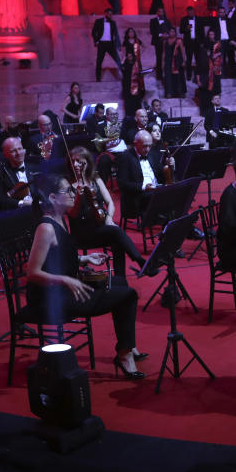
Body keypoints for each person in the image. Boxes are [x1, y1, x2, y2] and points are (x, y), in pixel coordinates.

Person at [26, 174, 146, 380]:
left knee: (120, 282)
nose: (74, 194)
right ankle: (125, 353)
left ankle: (127, 345)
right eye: (68, 191)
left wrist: (85, 259)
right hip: (51, 298)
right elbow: (32, 272)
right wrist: (66, 280)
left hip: (68, 287)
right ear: (53, 198)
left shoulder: (61, 219)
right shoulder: (45, 228)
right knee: (128, 295)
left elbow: (57, 258)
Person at [68, 146, 148, 280]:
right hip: (82, 233)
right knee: (116, 233)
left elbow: (110, 203)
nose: (76, 165)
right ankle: (141, 262)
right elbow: (72, 214)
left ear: (87, 163)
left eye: (80, 162)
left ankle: (120, 281)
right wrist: (77, 197)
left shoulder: (95, 178)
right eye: (73, 161)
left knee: (117, 239)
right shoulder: (67, 183)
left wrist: (109, 218)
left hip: (100, 227)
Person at [116, 130, 163, 219]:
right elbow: (122, 184)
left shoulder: (151, 153)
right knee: (158, 197)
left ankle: (176, 223)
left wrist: (170, 166)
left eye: (150, 146)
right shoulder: (125, 157)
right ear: (135, 143)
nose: (148, 149)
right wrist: (143, 187)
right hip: (138, 195)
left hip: (156, 189)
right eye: (144, 146)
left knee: (174, 192)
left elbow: (160, 173)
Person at [0, 136, 38, 211]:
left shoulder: (35, 166)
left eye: (20, 149)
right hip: (15, 212)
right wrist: (21, 203)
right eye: (13, 151)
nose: (18, 153)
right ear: (5, 154)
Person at [92, 8, 120, 82]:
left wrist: (118, 45)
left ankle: (125, 75)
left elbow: (116, 34)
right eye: (109, 14)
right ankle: (98, 79)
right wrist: (96, 41)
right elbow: (94, 32)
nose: (110, 16)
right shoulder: (98, 21)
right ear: (105, 13)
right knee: (99, 62)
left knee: (118, 60)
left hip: (110, 44)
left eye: (111, 14)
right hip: (101, 44)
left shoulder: (113, 23)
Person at [148, 6, 172, 80]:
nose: (160, 13)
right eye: (159, 11)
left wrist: (167, 35)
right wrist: (161, 34)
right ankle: (159, 75)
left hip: (166, 42)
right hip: (158, 42)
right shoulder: (153, 21)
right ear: (157, 12)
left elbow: (170, 30)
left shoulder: (167, 21)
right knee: (159, 58)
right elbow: (152, 31)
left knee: (167, 58)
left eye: (162, 11)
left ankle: (167, 74)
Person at [162, 28, 186, 98]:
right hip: (168, 61)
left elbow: (182, 51)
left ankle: (180, 93)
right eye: (170, 31)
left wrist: (184, 61)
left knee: (178, 77)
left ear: (175, 33)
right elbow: (164, 52)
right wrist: (162, 62)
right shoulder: (165, 41)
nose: (172, 33)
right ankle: (169, 93)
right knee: (168, 77)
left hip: (177, 61)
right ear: (168, 33)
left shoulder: (179, 41)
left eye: (173, 31)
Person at [179, 6, 200, 80]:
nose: (190, 13)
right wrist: (186, 29)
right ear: (187, 12)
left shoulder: (198, 19)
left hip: (197, 42)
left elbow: (201, 31)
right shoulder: (184, 19)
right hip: (188, 42)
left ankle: (198, 76)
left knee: (198, 59)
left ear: (194, 11)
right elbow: (181, 30)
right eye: (189, 11)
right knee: (189, 60)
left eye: (191, 11)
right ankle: (189, 75)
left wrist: (202, 42)